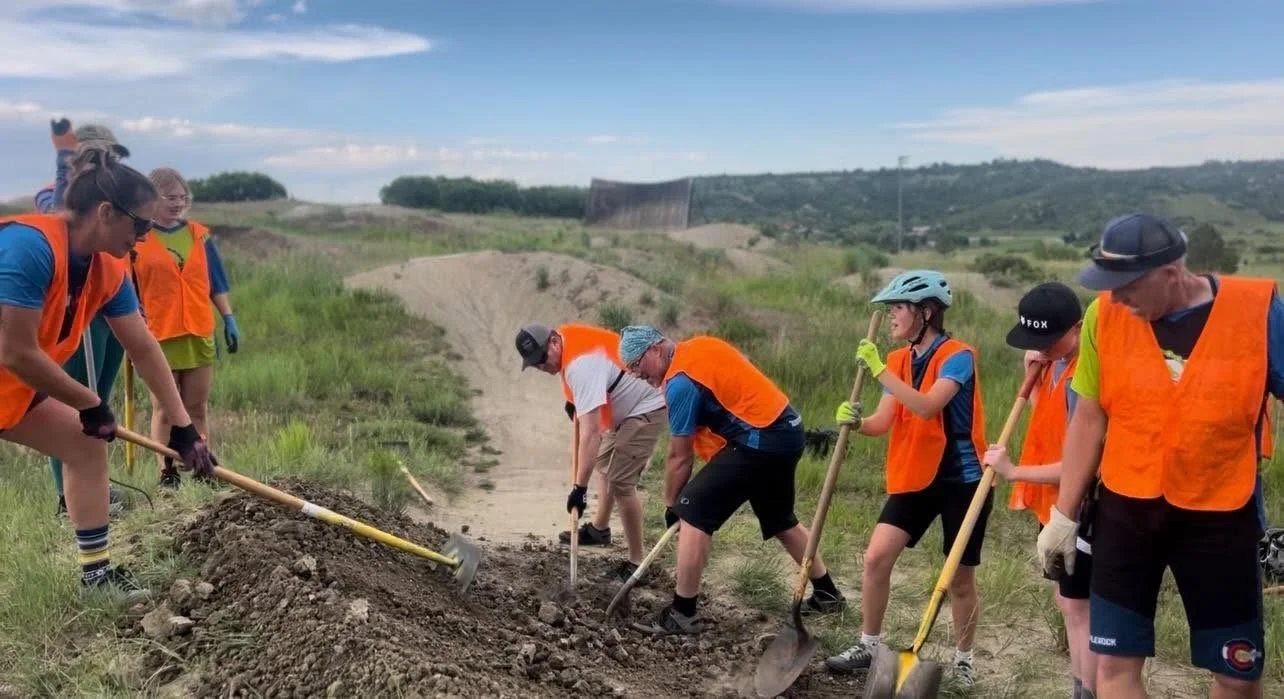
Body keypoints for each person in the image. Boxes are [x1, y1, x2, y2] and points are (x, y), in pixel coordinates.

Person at [1038, 213, 1284, 698]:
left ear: (1171, 272)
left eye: (1126, 286)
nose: (1118, 298)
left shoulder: (1258, 310)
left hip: (1221, 514)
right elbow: (1089, 418)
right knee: (1113, 667)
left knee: (1236, 675)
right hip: (1126, 513)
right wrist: (1063, 515)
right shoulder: (1103, 315)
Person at [0, 144, 217, 602]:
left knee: (83, 443)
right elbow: (15, 350)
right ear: (105, 212)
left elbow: (142, 345)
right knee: (87, 425)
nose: (144, 236)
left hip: (9, 388)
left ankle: (97, 580)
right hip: (11, 370)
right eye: (140, 224)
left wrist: (182, 429)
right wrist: (89, 401)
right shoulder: (29, 247)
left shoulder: (109, 267)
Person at [616, 324, 847, 635]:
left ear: (655, 350)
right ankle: (828, 594)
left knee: (694, 512)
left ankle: (682, 614)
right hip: (787, 429)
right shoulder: (699, 346)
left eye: (635, 365)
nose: (634, 373)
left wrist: (675, 504)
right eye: (628, 368)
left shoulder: (680, 382)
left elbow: (679, 458)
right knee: (779, 518)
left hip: (762, 439)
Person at [824, 270, 989, 688]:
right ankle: (870, 644)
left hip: (963, 479)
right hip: (917, 476)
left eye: (898, 308)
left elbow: (927, 406)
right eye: (892, 308)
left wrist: (878, 370)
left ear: (926, 312)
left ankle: (964, 661)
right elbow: (885, 420)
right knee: (876, 558)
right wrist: (857, 422)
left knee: (959, 579)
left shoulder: (959, 356)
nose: (892, 316)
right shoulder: (898, 361)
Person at [983, 281, 1098, 699]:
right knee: (1067, 605)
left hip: (1077, 510)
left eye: (1050, 339)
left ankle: (1086, 692)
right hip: (1050, 508)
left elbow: (1079, 464)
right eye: (1036, 341)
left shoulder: (1082, 376)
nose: (1041, 348)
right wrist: (1030, 372)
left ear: (1079, 328)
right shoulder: (1054, 367)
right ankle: (1081, 686)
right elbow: (1049, 423)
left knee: (1079, 609)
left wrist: (1013, 472)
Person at [515, 322, 668, 582]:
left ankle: (637, 564)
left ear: (554, 341)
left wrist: (580, 490)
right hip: (624, 407)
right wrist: (575, 401)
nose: (542, 366)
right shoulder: (569, 343)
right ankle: (600, 530)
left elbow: (591, 434)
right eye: (535, 363)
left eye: (542, 357)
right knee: (602, 460)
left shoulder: (580, 365)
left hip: (648, 403)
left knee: (621, 481)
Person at [34, 119, 132, 517]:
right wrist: (64, 169)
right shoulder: (50, 196)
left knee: (99, 401)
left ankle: (94, 486)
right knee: (73, 409)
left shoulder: (119, 202)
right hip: (73, 317)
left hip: (110, 313)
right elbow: (62, 218)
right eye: (94, 157)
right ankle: (66, 498)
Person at [132, 167, 239, 488]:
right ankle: (167, 470)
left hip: (197, 330)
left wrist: (228, 318)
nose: (178, 203)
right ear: (151, 199)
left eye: (182, 197)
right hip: (157, 334)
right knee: (165, 407)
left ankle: (202, 464)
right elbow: (125, 287)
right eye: (170, 197)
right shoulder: (137, 237)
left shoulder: (198, 235)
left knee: (196, 406)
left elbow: (215, 283)